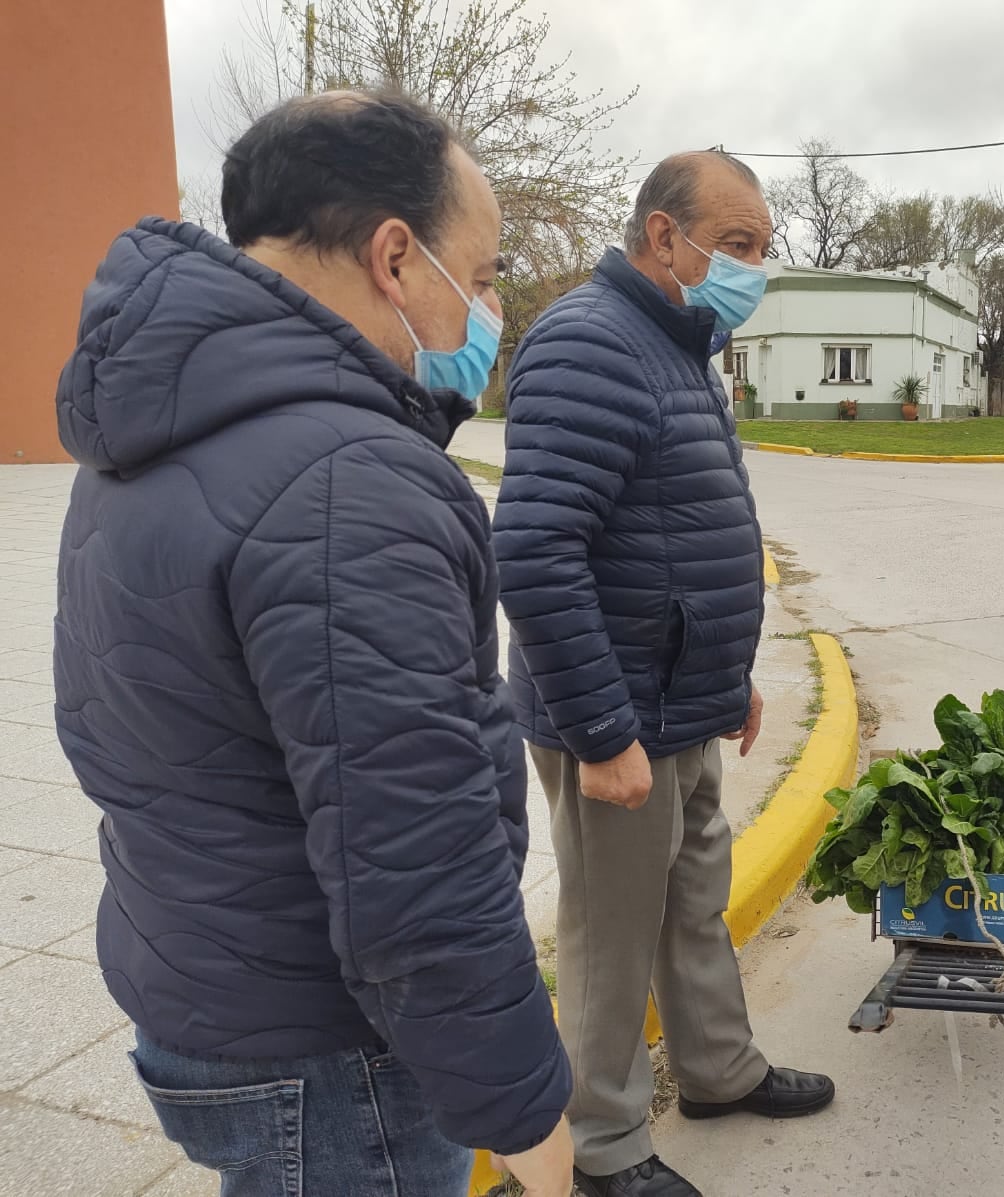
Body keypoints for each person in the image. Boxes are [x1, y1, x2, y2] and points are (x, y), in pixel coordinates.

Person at [53, 91, 574, 1197]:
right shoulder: (349, 480)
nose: (487, 311)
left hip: (203, 984)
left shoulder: (151, 428)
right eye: (479, 277)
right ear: (396, 256)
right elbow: (416, 855)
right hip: (330, 1047)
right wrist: (524, 1112)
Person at [493, 151, 835, 1197]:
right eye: (734, 246)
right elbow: (537, 551)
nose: (750, 269)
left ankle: (717, 1069)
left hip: (677, 700)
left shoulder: (679, 344)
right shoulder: (591, 342)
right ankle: (598, 1145)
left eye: (761, 251)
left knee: (693, 897)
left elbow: (675, 533)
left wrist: (726, 677)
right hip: (617, 716)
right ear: (659, 237)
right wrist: (602, 734)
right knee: (609, 930)